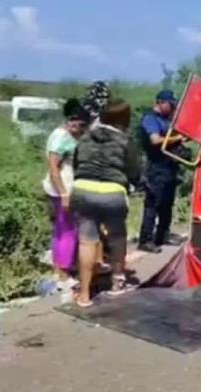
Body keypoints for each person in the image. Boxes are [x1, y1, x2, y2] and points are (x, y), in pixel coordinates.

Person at [71, 99, 142, 307]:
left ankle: (84, 295)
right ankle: (116, 284)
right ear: (124, 119)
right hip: (112, 193)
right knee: (117, 237)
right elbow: (134, 172)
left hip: (83, 189)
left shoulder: (84, 137)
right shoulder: (126, 141)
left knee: (87, 241)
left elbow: (77, 164)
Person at [42, 98, 90, 290]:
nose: (82, 130)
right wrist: (64, 194)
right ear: (72, 120)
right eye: (81, 126)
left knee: (62, 230)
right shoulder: (61, 137)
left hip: (65, 188)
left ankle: (60, 268)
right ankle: (63, 272)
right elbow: (53, 168)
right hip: (62, 189)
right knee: (68, 232)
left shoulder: (64, 135)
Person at [137, 89, 184, 254]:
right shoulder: (150, 119)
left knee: (167, 204)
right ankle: (145, 239)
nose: (172, 108)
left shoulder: (166, 120)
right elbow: (155, 140)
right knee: (153, 204)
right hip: (155, 167)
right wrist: (177, 139)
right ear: (160, 103)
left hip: (169, 167)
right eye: (170, 105)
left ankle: (162, 235)